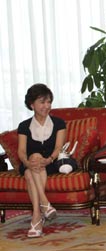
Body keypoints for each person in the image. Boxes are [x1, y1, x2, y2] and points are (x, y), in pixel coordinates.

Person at [17, 84, 66, 238]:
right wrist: (27, 162)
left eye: (49, 102)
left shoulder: (59, 123)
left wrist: (49, 159)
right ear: (32, 105)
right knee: (33, 160)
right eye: (42, 102)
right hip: (29, 165)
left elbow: (59, 147)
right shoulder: (24, 126)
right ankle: (43, 207)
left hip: (51, 164)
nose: (47, 106)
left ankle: (37, 216)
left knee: (32, 169)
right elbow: (21, 151)